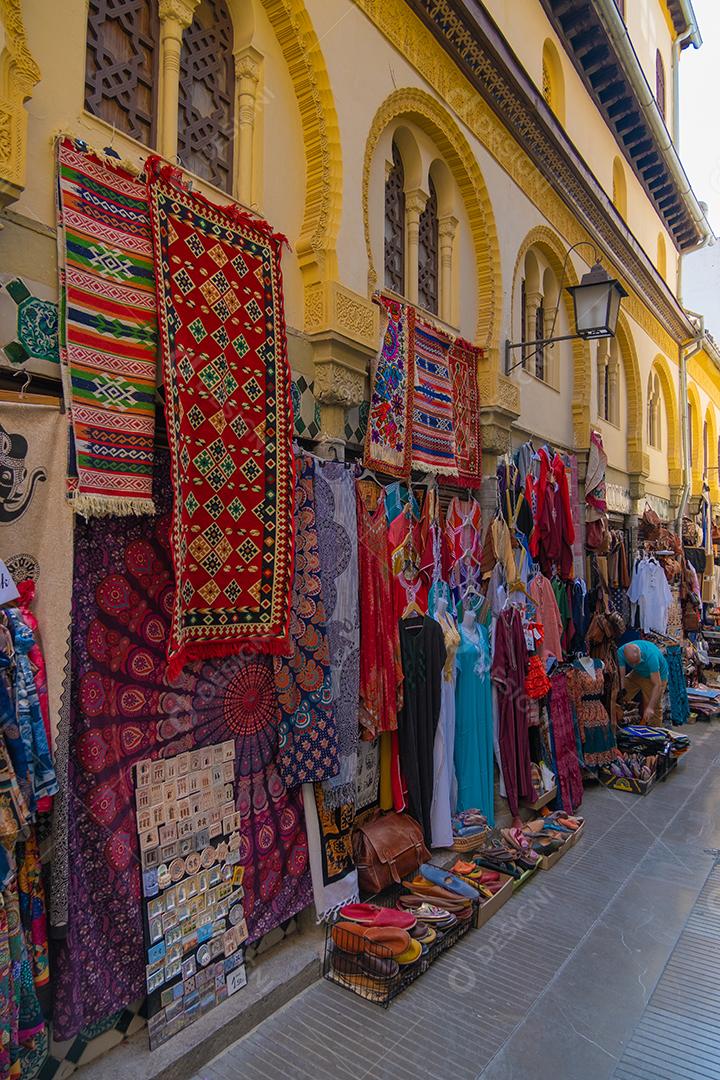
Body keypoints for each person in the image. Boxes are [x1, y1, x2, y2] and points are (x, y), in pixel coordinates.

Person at [618, 640, 668, 725]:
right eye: (632, 663)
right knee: (619, 696)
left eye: (637, 662)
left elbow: (657, 684)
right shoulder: (620, 652)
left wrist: (650, 708)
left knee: (654, 708)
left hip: (657, 676)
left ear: (640, 654)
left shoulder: (651, 656)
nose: (634, 665)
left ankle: (655, 733)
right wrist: (621, 690)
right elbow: (621, 677)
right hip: (638, 672)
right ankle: (618, 721)